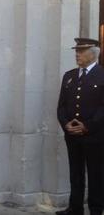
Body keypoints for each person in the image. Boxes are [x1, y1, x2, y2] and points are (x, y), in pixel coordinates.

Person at [56, 38, 104, 215]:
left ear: (93, 54)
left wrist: (88, 126)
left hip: (94, 136)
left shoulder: (102, 74)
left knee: (95, 174)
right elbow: (61, 106)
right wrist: (66, 124)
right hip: (72, 135)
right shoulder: (69, 76)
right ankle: (75, 208)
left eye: (81, 51)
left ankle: (96, 210)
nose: (77, 54)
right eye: (76, 50)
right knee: (75, 173)